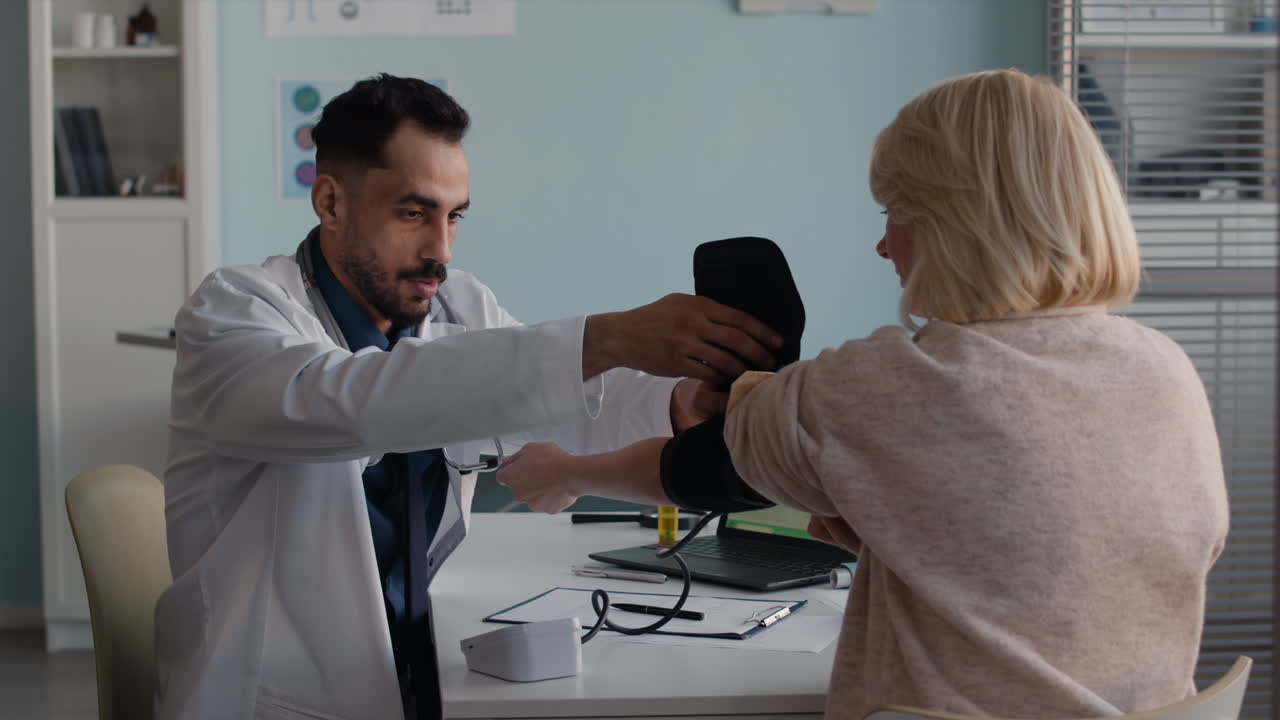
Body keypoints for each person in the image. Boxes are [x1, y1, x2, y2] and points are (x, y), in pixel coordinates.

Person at [496, 69, 1229, 719]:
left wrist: (567, 472)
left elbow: (701, 468)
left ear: (953, 225)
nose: (883, 248)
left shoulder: (904, 382)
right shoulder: (1165, 371)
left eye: (893, 215)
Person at [154, 73, 784, 720]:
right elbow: (351, 401)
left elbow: (562, 405)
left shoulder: (457, 304)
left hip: (414, 663)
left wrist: (681, 404)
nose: (441, 250)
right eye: (412, 213)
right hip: (266, 693)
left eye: (454, 216)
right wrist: (608, 337)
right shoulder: (234, 311)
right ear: (331, 202)